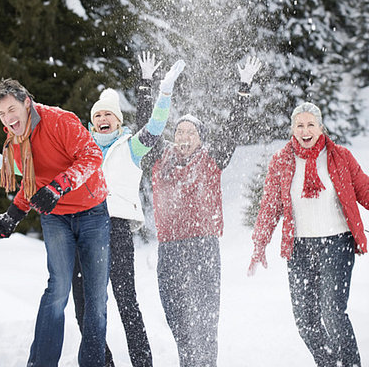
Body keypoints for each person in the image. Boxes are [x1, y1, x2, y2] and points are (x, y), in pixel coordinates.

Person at [137, 55, 262, 367]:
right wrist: (146, 84)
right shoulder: (158, 158)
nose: (183, 136)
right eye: (179, 132)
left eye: (190, 132)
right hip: (168, 249)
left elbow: (232, 129)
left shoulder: (212, 159)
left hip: (202, 247)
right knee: (176, 317)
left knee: (204, 321)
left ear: (201, 139)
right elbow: (146, 126)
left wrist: (243, 88)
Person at [0, 78, 110, 367]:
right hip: (55, 218)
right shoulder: (16, 141)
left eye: (11, 109)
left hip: (92, 213)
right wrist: (12, 215)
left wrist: (59, 187)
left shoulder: (58, 121)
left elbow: (92, 156)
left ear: (26, 102)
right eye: (2, 114)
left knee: (95, 297)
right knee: (57, 289)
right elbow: (32, 184)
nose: (8, 118)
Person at [72, 56, 185, 367]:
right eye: (98, 115)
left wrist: (163, 92)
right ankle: (103, 362)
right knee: (83, 306)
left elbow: (156, 127)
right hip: (82, 231)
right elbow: (41, 167)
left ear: (118, 121)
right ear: (92, 121)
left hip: (116, 230)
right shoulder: (79, 152)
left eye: (109, 114)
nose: (103, 118)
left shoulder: (130, 147)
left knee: (125, 302)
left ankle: (142, 363)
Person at [248, 102, 369, 367]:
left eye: (310, 124)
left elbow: (364, 189)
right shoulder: (282, 161)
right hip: (300, 249)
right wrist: (259, 243)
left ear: (320, 127)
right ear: (292, 129)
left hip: (337, 244)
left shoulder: (340, 157)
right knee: (306, 320)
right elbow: (269, 205)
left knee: (333, 313)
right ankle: (328, 363)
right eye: (299, 125)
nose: (305, 130)